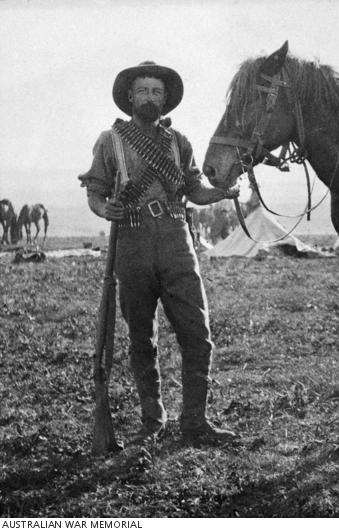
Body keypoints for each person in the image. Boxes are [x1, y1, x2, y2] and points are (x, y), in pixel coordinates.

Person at [78, 61, 239, 447]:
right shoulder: (110, 140)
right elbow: (95, 191)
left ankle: (195, 422)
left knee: (197, 334)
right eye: (143, 91)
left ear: (165, 100)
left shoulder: (178, 142)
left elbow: (194, 188)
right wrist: (105, 209)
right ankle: (153, 420)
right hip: (131, 242)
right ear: (130, 97)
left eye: (157, 92)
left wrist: (220, 193)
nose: (150, 98)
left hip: (176, 239)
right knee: (140, 337)